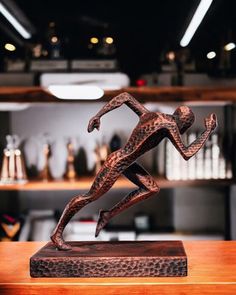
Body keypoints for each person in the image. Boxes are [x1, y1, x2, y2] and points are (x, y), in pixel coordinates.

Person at [51, 92, 217, 250]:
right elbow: (186, 153)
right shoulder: (170, 124)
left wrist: (98, 115)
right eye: (185, 127)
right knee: (89, 196)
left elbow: (125, 97)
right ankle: (57, 233)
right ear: (183, 122)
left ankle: (107, 215)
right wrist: (207, 131)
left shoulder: (150, 114)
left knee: (151, 188)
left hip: (126, 162)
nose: (182, 131)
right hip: (119, 162)